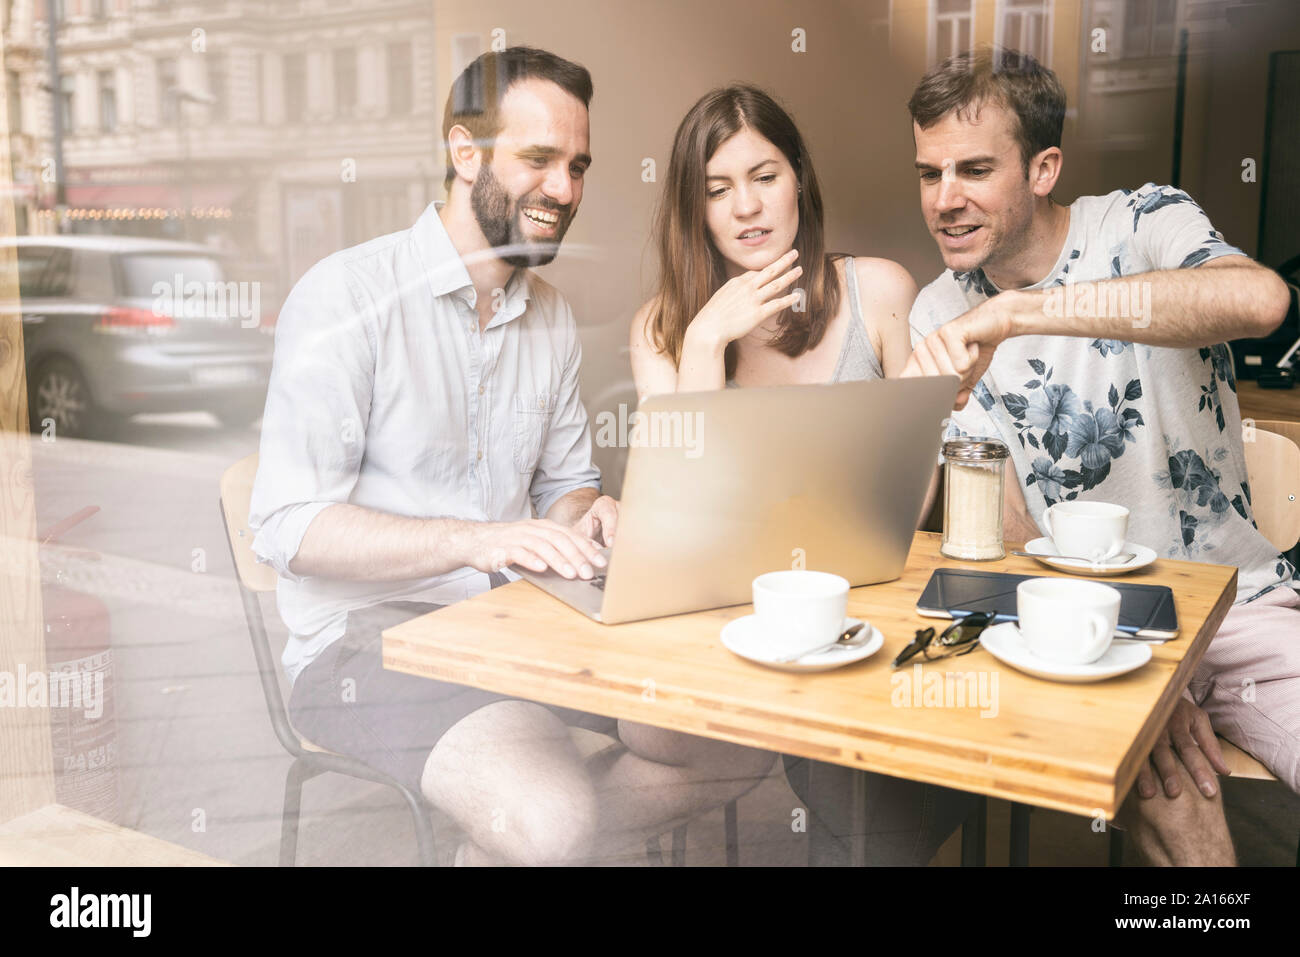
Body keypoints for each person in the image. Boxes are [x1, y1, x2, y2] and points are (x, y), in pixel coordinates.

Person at [250, 47, 772, 867]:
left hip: (516, 624)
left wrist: (587, 514)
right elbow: (290, 526)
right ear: (465, 153)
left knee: (739, 744)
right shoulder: (345, 297)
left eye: (578, 166)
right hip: (366, 646)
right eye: (538, 159)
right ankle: (535, 840)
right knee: (551, 817)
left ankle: (503, 853)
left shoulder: (549, 317)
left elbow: (565, 487)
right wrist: (480, 538)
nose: (564, 191)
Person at [903, 46, 1298, 865]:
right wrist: (1126, 667)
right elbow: (1007, 529)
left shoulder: (1143, 219)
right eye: (928, 173)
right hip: (1098, 624)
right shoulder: (937, 311)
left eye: (974, 169)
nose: (945, 200)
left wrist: (1021, 312)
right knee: (1185, 819)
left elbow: (1260, 299)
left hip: (1242, 606)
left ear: (1044, 167)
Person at [630, 84, 967, 865]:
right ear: (696, 209)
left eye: (765, 175)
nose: (746, 207)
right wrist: (707, 341)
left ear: (800, 181)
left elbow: (912, 503)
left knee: (871, 806)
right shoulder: (664, 327)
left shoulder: (877, 289)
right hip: (733, 623)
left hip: (871, 613)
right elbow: (679, 513)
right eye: (717, 189)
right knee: (859, 808)